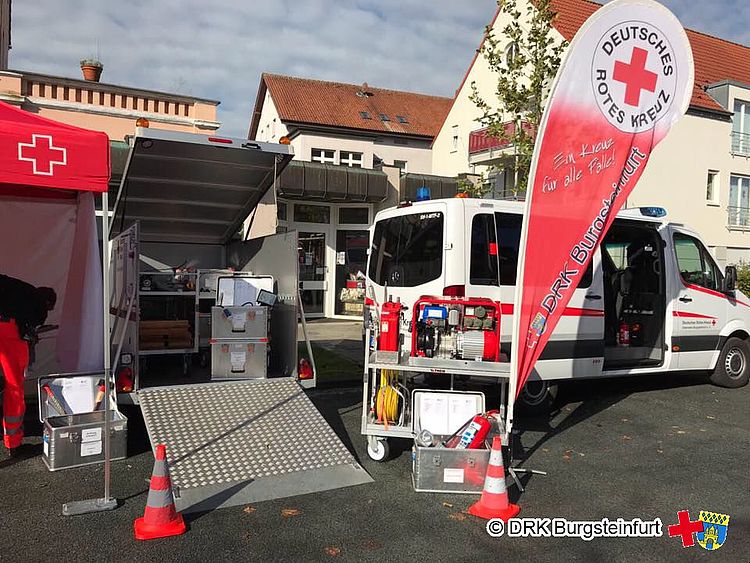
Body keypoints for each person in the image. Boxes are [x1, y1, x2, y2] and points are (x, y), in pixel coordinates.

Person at [0, 274, 56, 455]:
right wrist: (31, 335)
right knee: (14, 388)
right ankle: (13, 444)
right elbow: (33, 324)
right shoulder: (37, 301)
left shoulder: (19, 289)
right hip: (8, 333)